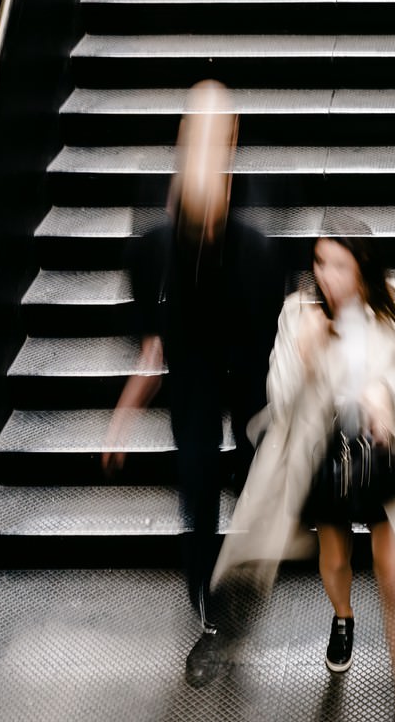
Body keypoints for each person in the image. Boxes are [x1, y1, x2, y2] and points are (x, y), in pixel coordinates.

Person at [101, 80, 291, 687]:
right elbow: (147, 306)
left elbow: (279, 302)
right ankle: (210, 615)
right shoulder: (160, 215)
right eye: (197, 129)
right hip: (193, 375)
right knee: (198, 487)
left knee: (252, 471)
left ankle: (243, 578)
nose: (208, 141)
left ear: (233, 137)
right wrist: (133, 396)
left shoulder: (255, 210)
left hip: (251, 372)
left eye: (218, 129)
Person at [211, 215, 395, 722]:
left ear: (362, 269)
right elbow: (280, 401)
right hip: (325, 457)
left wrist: (384, 393)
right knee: (335, 560)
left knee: (392, 574)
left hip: (379, 457)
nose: (327, 275)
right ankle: (343, 616)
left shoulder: (392, 307)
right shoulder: (298, 314)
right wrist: (310, 358)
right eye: (320, 263)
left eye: (339, 264)